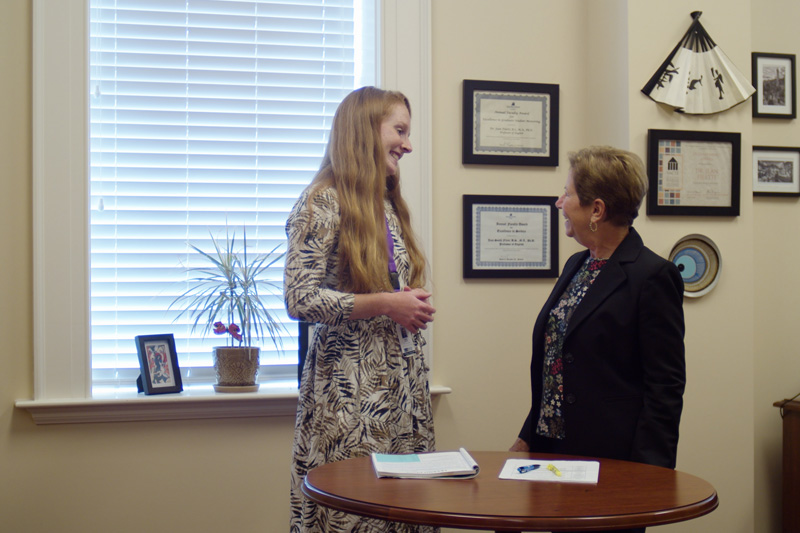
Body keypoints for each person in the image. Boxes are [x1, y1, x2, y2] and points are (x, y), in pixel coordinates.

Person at [510, 146, 686, 533]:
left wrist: (647, 474)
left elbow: (665, 386)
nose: (559, 202)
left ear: (597, 210)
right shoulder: (579, 263)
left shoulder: (653, 276)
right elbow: (557, 362)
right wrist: (528, 435)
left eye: (568, 193)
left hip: (613, 461)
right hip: (555, 454)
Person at [284, 86, 437, 533]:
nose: (408, 144)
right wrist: (389, 303)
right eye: (400, 130)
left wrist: (405, 303)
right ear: (365, 130)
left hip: (402, 391)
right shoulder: (322, 201)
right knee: (356, 513)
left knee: (407, 508)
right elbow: (300, 297)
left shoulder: (387, 203)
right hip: (350, 394)